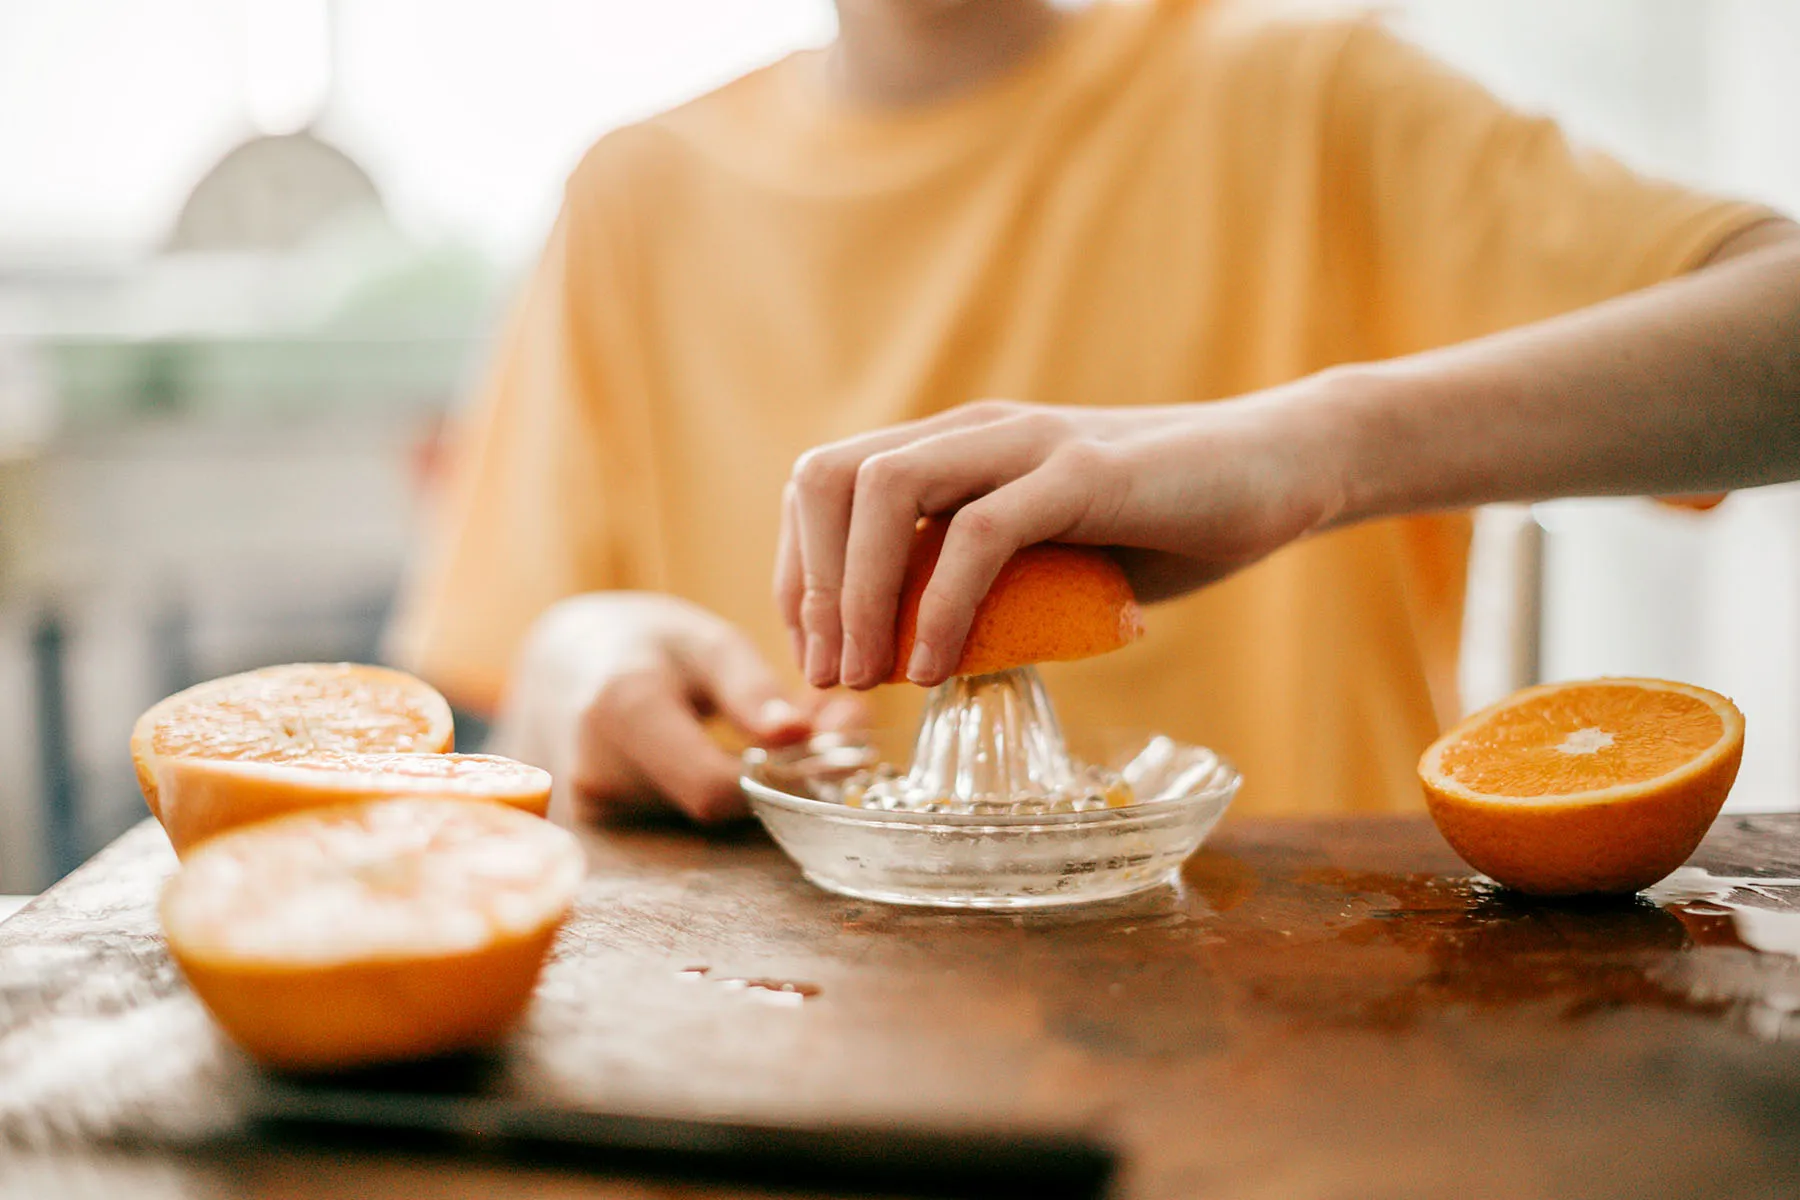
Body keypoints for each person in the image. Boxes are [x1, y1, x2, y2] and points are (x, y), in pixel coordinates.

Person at [389, 0, 1788, 825]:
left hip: (1305, 1084)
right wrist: (574, 661)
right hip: (791, 1078)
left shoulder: (1304, 95)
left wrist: (1302, 445)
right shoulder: (635, 197)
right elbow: (526, 681)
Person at [780, 221, 1799, 692]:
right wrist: (613, 644)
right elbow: (615, 599)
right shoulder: (629, 191)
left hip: (1317, 1046)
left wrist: (1321, 446)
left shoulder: (1325, 87)